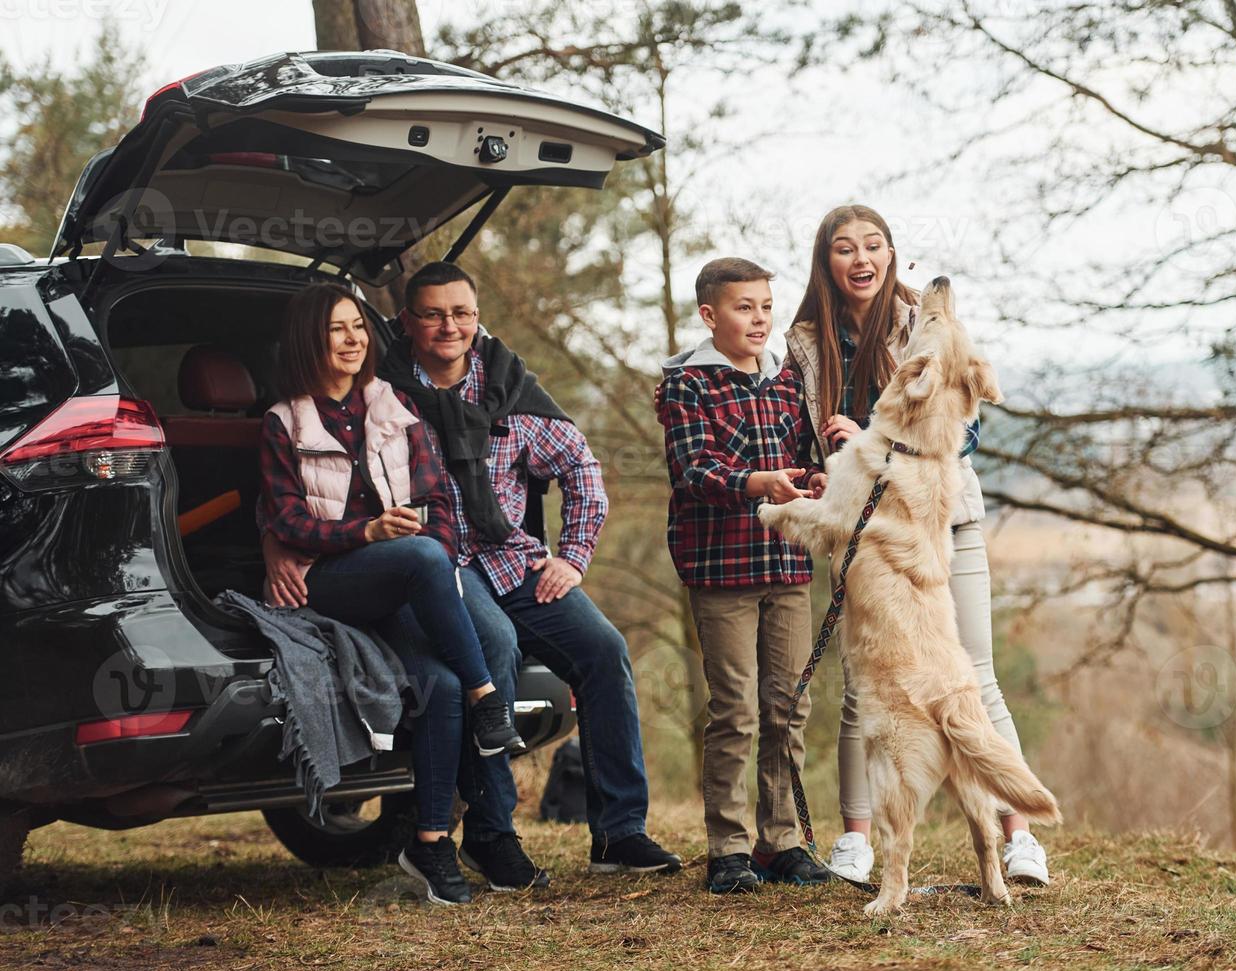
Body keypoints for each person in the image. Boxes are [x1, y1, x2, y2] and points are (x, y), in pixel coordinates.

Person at [265, 263, 681, 889]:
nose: (448, 326)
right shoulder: (386, 390)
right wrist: (279, 542)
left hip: (514, 560)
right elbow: (309, 476)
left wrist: (571, 555)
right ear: (406, 323)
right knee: (496, 649)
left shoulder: (511, 386)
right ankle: (492, 834)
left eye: (460, 313)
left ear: (477, 314)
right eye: (431, 314)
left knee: (604, 651)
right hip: (438, 566)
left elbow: (581, 467)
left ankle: (619, 833)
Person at [783, 205, 1051, 886]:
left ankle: (1019, 839)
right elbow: (800, 428)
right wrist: (827, 468)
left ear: (892, 253)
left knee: (974, 676)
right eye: (845, 248)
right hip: (865, 529)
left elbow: (964, 429)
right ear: (828, 263)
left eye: (873, 245)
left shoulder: (923, 323)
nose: (861, 258)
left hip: (942, 522)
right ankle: (856, 841)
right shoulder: (806, 343)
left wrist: (878, 437)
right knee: (863, 688)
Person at [257, 282, 522, 906]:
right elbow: (288, 520)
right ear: (309, 341)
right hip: (329, 578)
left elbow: (438, 507)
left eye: (358, 327)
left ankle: (430, 843)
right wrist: (366, 532)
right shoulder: (283, 420)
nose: (353, 340)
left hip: (405, 574)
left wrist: (413, 542)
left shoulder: (395, 406)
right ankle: (492, 701)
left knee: (440, 682)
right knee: (423, 555)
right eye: (337, 330)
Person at [656, 257, 831, 894]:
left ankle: (780, 841)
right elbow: (692, 472)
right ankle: (727, 848)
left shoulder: (785, 382)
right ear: (710, 315)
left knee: (788, 706)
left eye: (764, 306)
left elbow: (799, 461)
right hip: (722, 568)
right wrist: (754, 483)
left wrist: (810, 478)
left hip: (786, 564)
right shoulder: (688, 384)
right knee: (735, 709)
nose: (759, 319)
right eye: (743, 307)